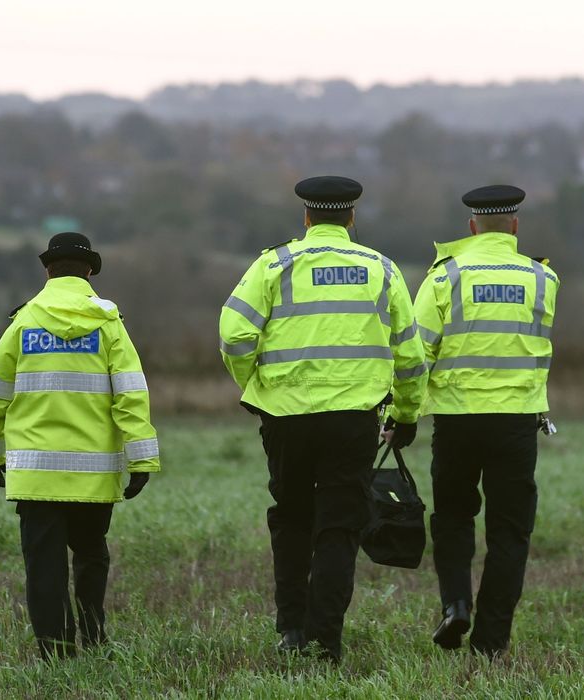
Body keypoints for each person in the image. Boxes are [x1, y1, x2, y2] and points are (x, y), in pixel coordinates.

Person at [218, 176, 427, 662]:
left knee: (291, 519)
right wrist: (407, 413)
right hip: (354, 420)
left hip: (286, 417)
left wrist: (255, 388)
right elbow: (411, 356)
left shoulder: (275, 264)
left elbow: (233, 336)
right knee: (339, 526)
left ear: (306, 218)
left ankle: (291, 628)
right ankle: (325, 640)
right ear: (351, 219)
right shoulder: (382, 268)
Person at [0, 231, 160, 660]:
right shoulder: (109, 324)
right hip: (93, 475)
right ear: (90, 271)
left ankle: (56, 652)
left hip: (36, 474)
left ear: (47, 270)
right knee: (91, 554)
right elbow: (131, 394)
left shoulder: (23, 322)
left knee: (44, 566)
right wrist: (142, 459)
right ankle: (94, 636)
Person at [412, 185, 559, 657]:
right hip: (516, 422)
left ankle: (456, 604)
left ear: (471, 227)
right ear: (514, 227)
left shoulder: (444, 277)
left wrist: (404, 413)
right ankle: (491, 641)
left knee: (453, 517)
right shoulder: (542, 279)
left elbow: (418, 354)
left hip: (456, 420)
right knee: (509, 531)